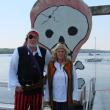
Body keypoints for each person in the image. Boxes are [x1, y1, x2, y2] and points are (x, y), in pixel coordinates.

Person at [8, 30, 51, 110]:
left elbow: (50, 67)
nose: (33, 39)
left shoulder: (45, 52)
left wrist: (46, 80)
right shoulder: (19, 51)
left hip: (37, 89)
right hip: (22, 89)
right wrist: (16, 84)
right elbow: (12, 69)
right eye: (30, 37)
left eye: (35, 37)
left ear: (38, 39)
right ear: (27, 39)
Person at [44, 43, 80, 110]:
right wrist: (47, 98)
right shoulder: (51, 65)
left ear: (65, 53)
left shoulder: (70, 65)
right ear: (56, 53)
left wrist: (75, 97)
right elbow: (48, 83)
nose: (60, 53)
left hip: (67, 99)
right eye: (59, 51)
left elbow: (75, 81)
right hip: (54, 99)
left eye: (62, 51)